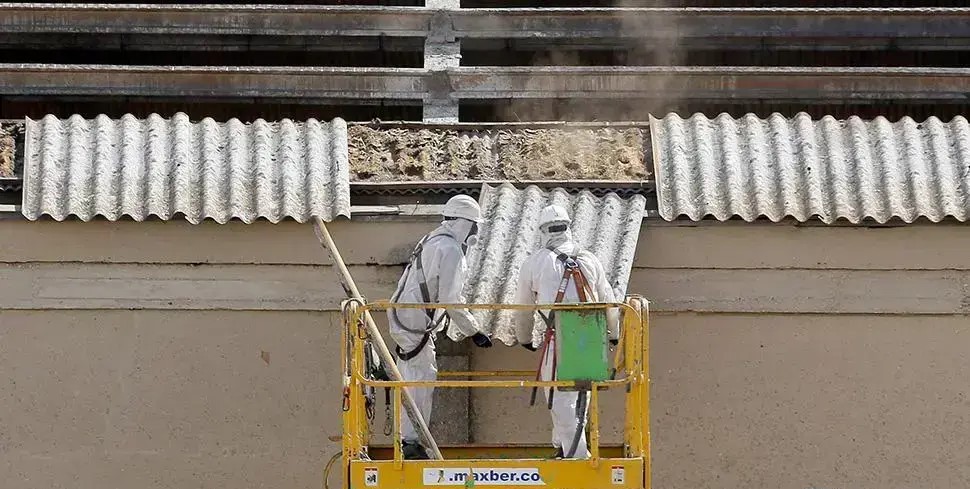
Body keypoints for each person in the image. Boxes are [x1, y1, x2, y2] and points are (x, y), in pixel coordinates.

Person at [387, 194, 493, 460]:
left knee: (413, 377)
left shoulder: (432, 240)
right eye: (473, 226)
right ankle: (411, 442)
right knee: (421, 378)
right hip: (413, 320)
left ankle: (410, 439)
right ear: (464, 223)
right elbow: (451, 299)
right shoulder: (450, 250)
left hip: (406, 316)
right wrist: (474, 330)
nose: (474, 232)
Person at [513, 204, 620, 460]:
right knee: (580, 398)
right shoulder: (590, 259)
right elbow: (609, 300)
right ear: (568, 227)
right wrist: (614, 334)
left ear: (543, 230)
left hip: (560, 337)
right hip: (592, 337)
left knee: (561, 401)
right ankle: (565, 446)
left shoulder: (536, 262)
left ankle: (576, 456)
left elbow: (523, 309)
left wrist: (525, 339)